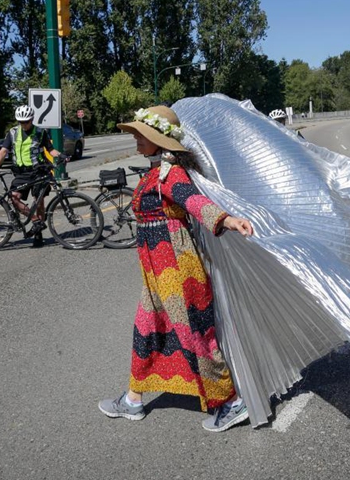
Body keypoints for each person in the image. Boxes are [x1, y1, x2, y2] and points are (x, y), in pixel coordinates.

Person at [99, 105, 254, 433]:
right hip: (156, 272)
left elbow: (194, 202)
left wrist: (226, 219)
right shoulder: (155, 171)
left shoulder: (172, 174)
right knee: (146, 329)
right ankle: (133, 400)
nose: (137, 139)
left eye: (143, 134)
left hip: (178, 271)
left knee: (194, 335)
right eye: (137, 133)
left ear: (160, 140)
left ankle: (231, 402)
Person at [0, 105, 65, 248]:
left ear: (32, 119)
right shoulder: (12, 133)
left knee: (39, 201)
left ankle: (38, 234)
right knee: (13, 197)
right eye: (20, 122)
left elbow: (51, 150)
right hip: (21, 173)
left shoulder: (40, 132)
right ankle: (37, 222)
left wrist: (61, 155)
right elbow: (3, 151)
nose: (23, 124)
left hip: (38, 171)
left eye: (26, 121)